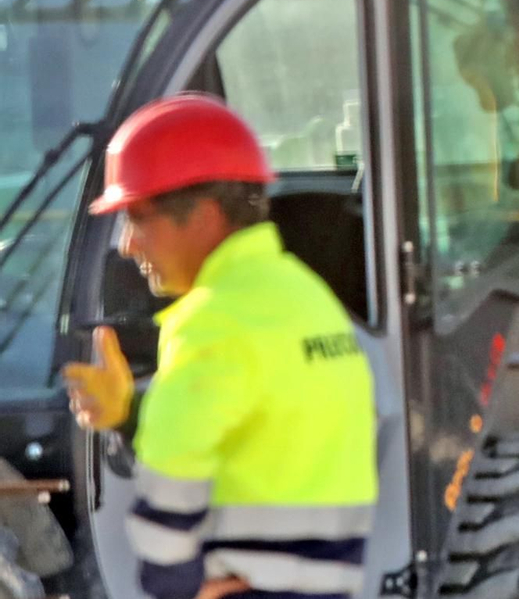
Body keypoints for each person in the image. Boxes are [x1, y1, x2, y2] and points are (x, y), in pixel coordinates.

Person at [63, 94, 376, 599]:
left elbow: (170, 492)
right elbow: (262, 442)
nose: (126, 245)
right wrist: (128, 412)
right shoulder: (307, 297)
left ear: (205, 216)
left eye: (139, 218)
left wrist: (174, 585)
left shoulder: (212, 321)